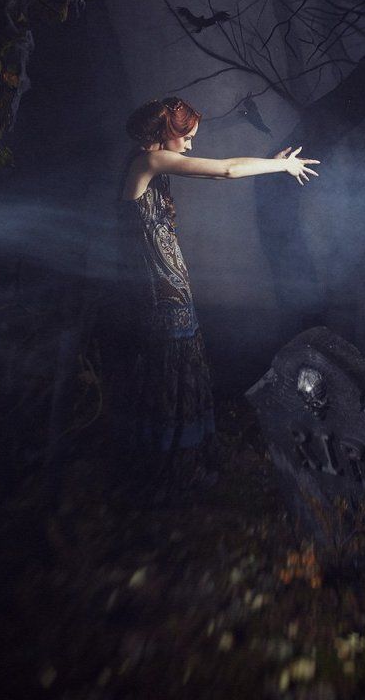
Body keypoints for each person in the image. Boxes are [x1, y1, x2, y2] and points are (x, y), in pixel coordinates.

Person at [117, 96, 319, 473]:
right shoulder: (148, 161)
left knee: (177, 364)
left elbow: (217, 172)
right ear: (165, 132)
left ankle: (177, 455)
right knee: (169, 368)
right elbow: (225, 170)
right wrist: (281, 165)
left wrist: (274, 163)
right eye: (187, 137)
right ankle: (170, 461)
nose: (190, 145)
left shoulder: (151, 162)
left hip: (168, 287)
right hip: (160, 292)